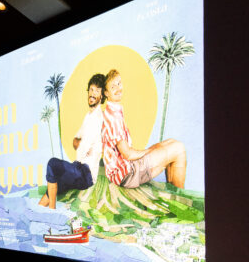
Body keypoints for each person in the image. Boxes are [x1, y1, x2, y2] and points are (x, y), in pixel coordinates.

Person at [101, 69, 186, 189]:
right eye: (113, 87)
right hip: (127, 174)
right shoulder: (113, 118)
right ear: (106, 93)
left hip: (125, 168)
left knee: (171, 142)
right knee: (178, 149)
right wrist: (149, 151)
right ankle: (179, 195)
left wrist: (152, 150)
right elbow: (128, 154)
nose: (118, 88)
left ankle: (174, 192)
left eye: (119, 83)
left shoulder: (113, 111)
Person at [39, 73, 106, 209]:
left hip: (85, 173)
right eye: (91, 89)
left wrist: (82, 146)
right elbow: (76, 140)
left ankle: (52, 212)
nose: (92, 94)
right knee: (53, 187)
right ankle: (39, 210)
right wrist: (81, 145)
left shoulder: (98, 117)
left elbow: (83, 147)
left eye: (97, 91)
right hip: (78, 168)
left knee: (52, 164)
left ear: (102, 96)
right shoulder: (89, 116)